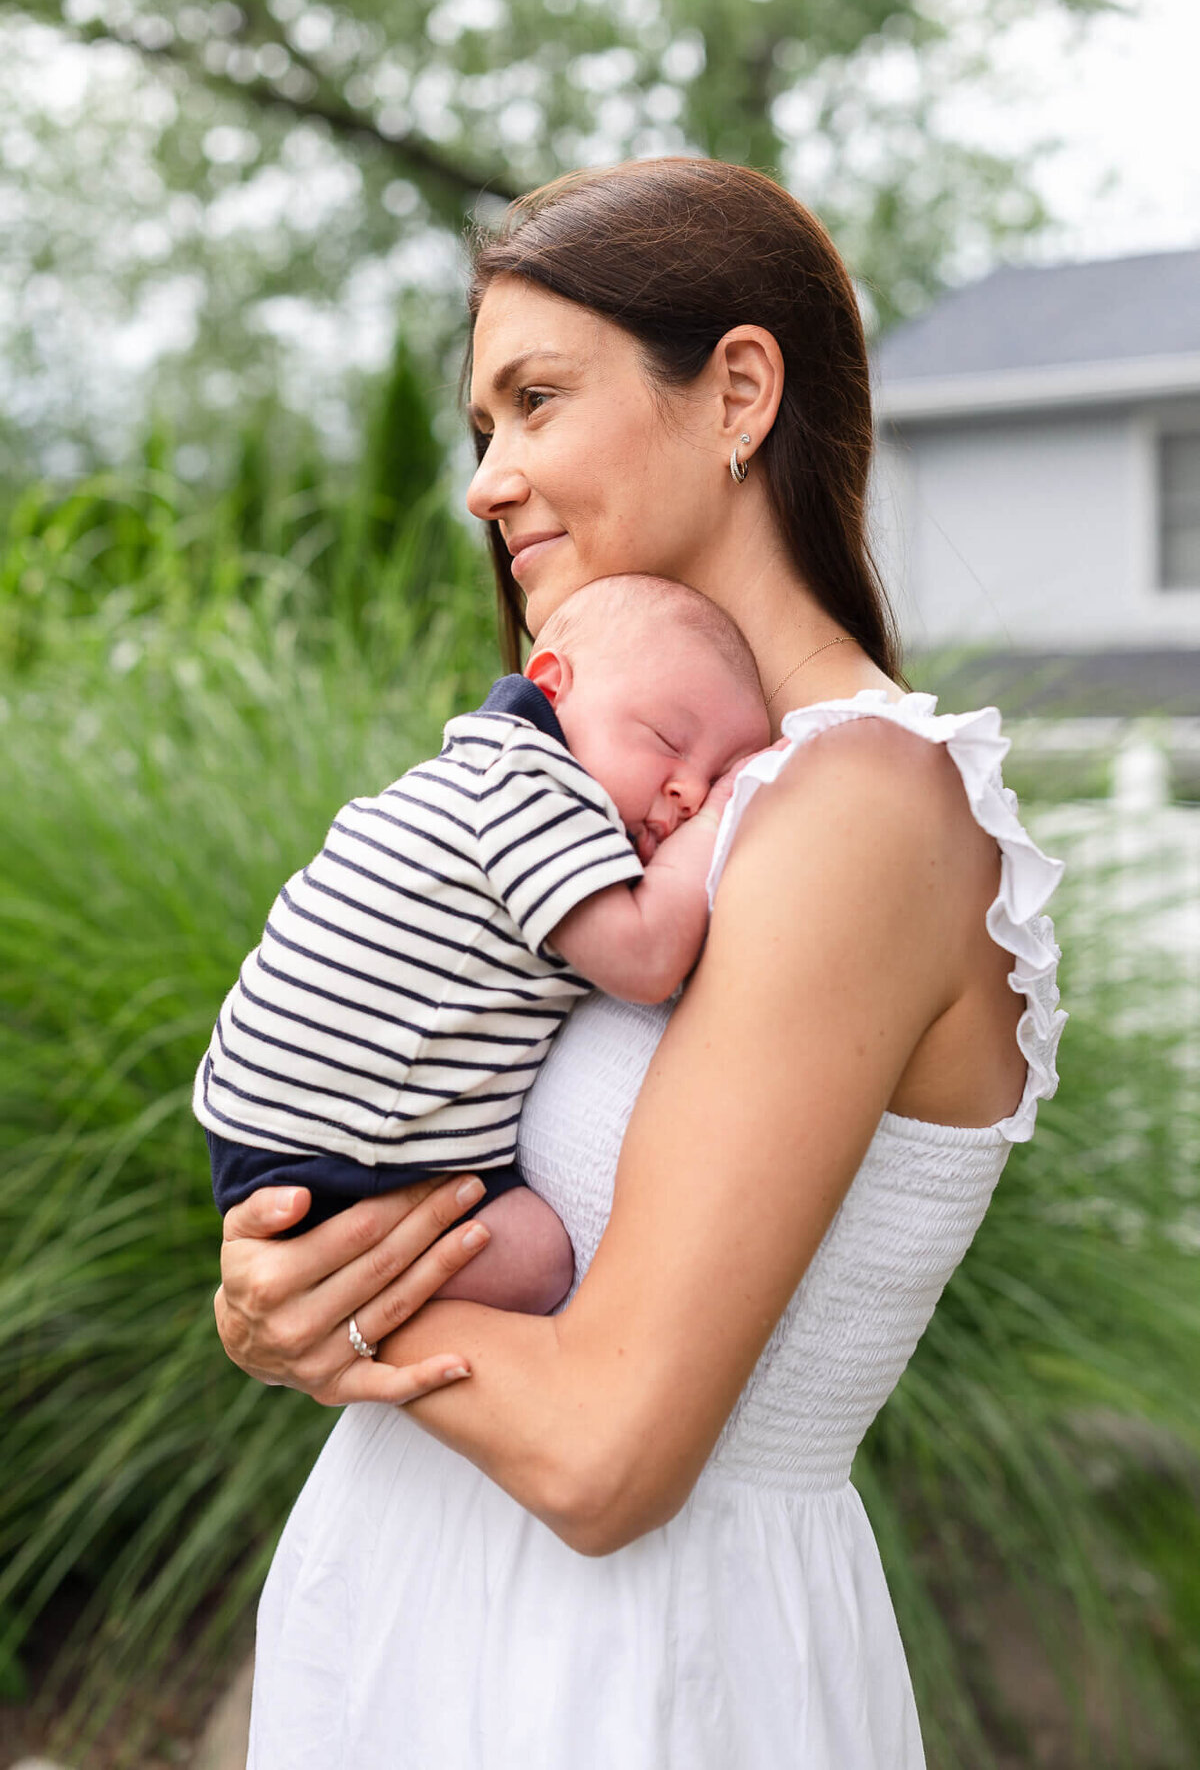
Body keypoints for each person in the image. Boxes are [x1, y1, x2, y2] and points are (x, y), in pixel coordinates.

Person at [213, 158, 1066, 1768]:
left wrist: (315, 1322)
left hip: (623, 1676)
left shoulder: (861, 806)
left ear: (740, 390)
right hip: (417, 1602)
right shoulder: (635, 791)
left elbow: (612, 1451)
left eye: (536, 400)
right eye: (481, 428)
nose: (487, 479)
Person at [197, 574, 770, 1315]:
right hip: (335, 1154)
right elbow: (647, 958)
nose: (689, 789)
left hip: (279, 1130)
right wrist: (721, 816)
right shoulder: (533, 781)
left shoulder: (483, 769)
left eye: (718, 771)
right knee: (538, 1259)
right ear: (553, 687)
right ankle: (343, 1307)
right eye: (668, 740)